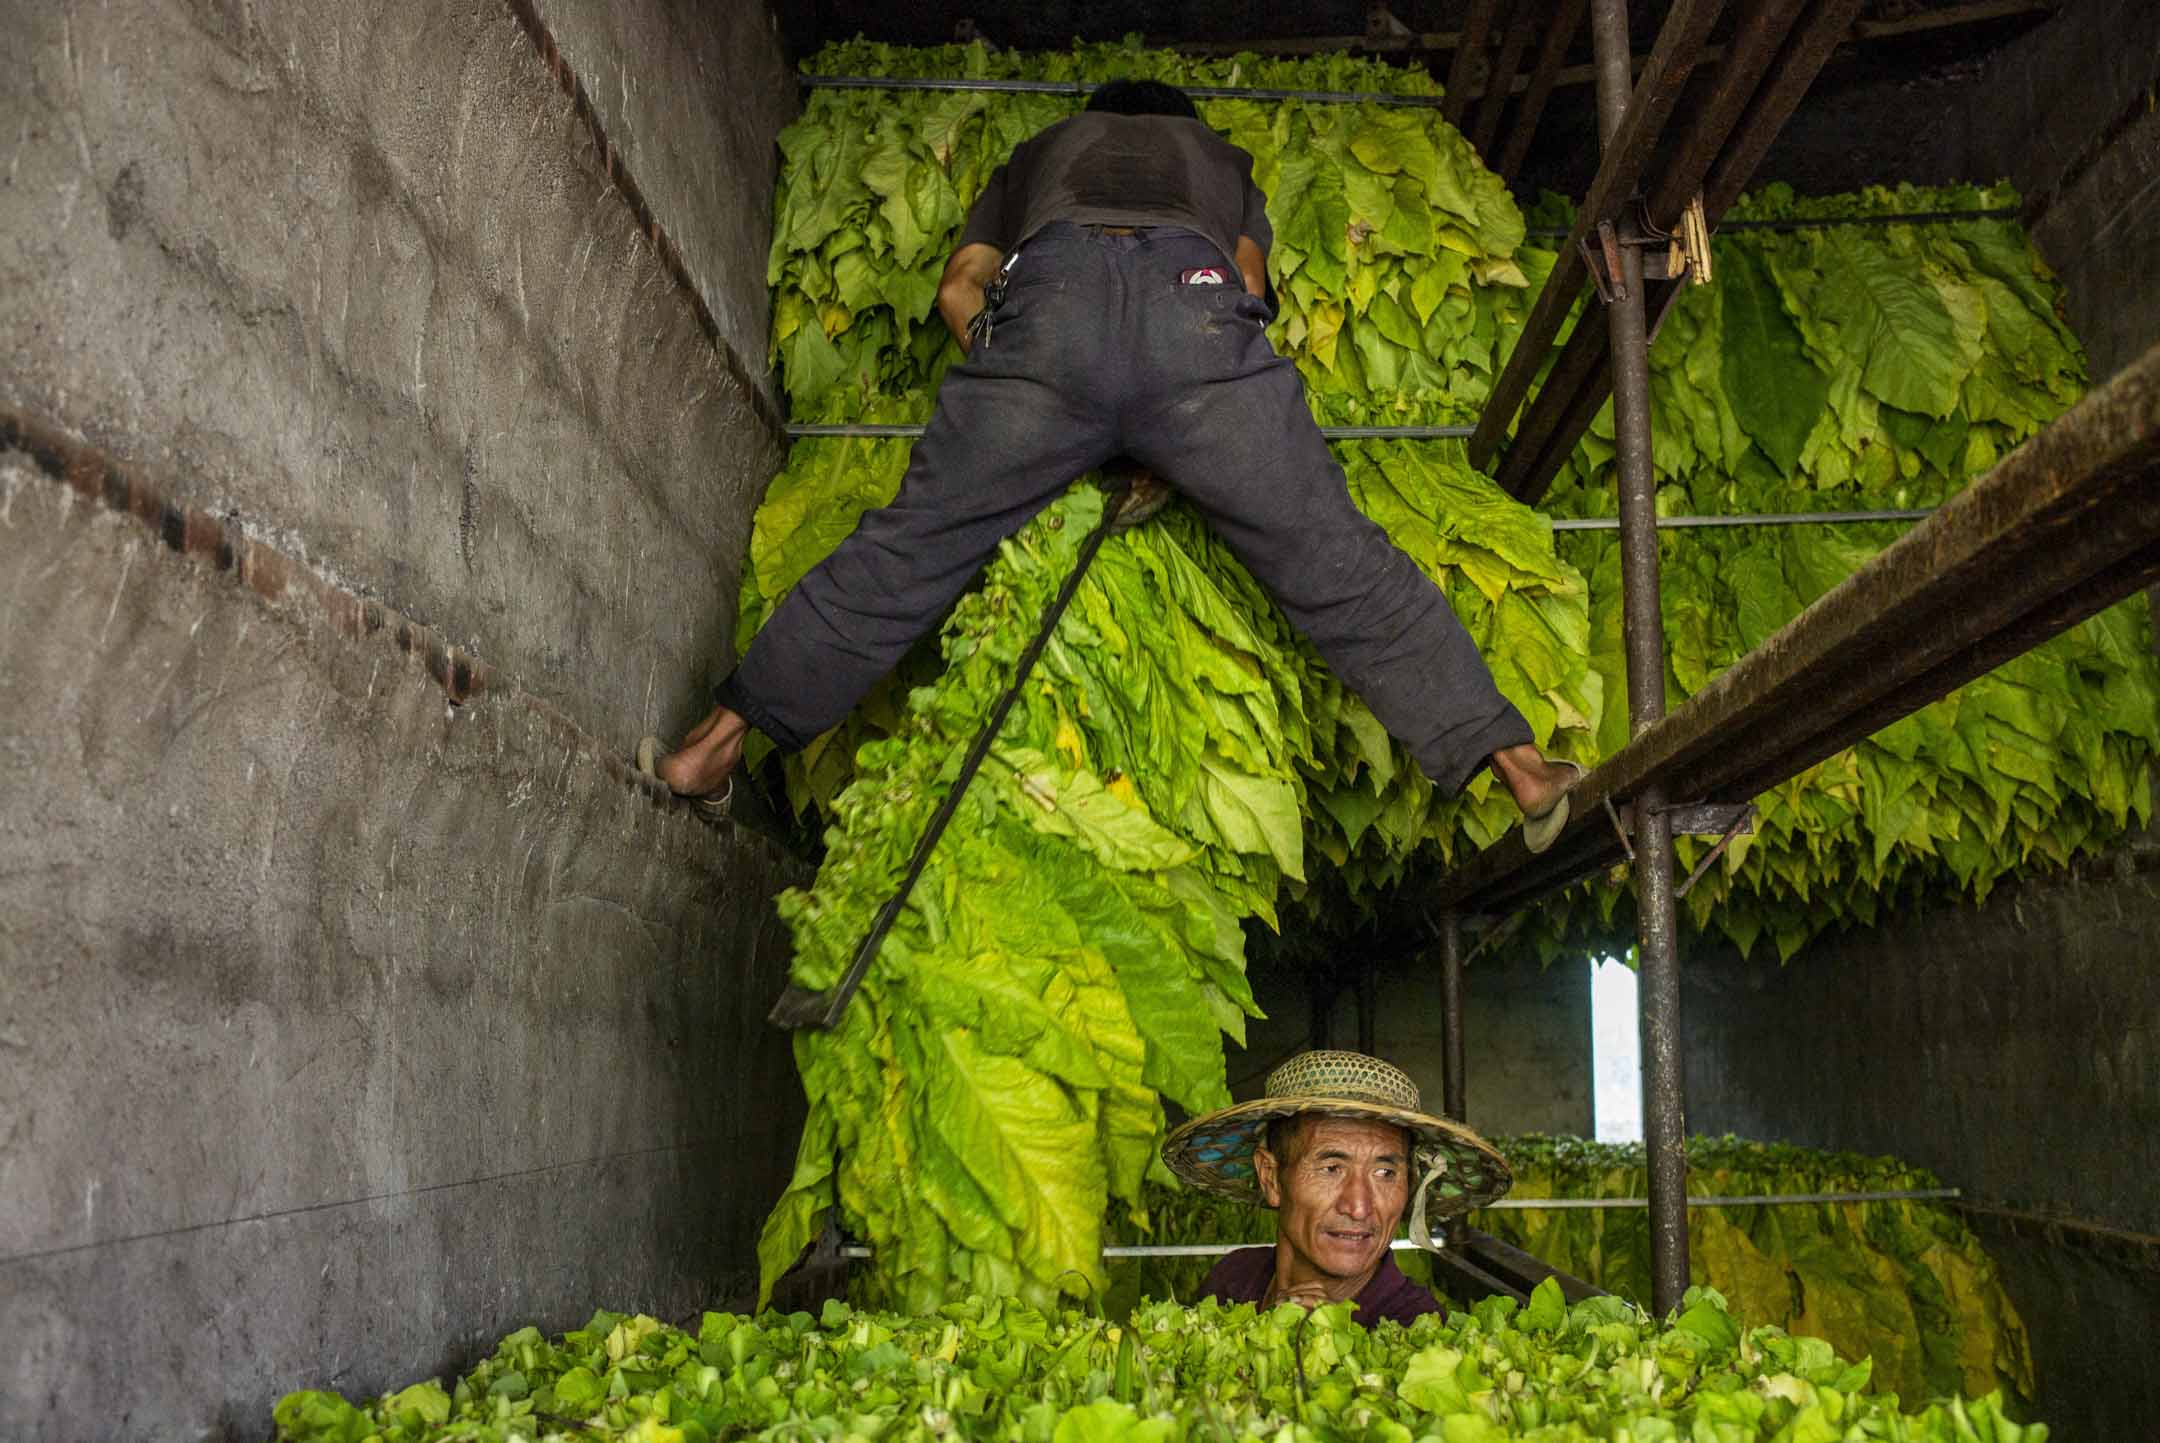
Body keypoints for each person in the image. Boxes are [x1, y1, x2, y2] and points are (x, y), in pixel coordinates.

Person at [648, 78, 1582, 849]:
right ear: (1178, 119)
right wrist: (1176, 433)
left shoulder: (1038, 156)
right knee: (1336, 561)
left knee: (908, 549)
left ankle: (711, 749)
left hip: (1047, 306)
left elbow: (956, 287)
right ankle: (1521, 768)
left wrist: (1029, 396)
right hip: (1198, 305)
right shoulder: (1219, 161)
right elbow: (1250, 285)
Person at [1162, 1049, 1511, 1327]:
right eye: (1331, 1168)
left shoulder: (1415, 1327)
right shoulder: (1233, 1280)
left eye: (1385, 1173)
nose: (1359, 1207)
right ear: (1271, 1177)